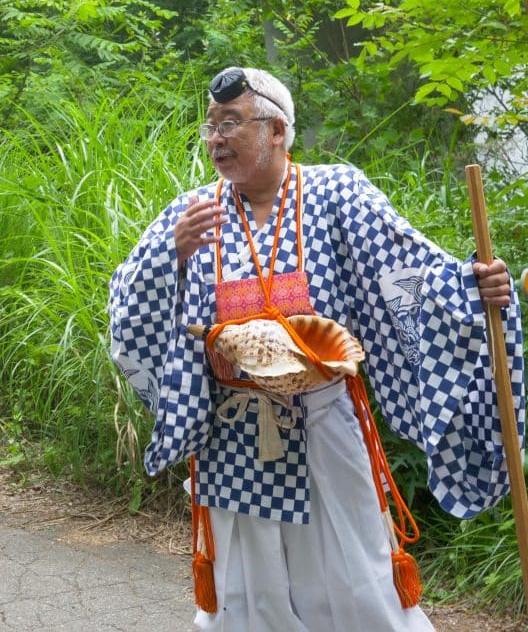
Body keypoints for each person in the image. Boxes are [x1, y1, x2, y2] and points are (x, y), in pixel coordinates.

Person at [108, 66, 525, 631]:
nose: (216, 140)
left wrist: (473, 288)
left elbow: (406, 272)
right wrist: (172, 255)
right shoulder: (194, 211)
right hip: (234, 434)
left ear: (277, 131)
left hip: (324, 421)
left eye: (231, 124)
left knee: (358, 581)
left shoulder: (335, 192)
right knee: (249, 594)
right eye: (210, 127)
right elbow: (127, 303)